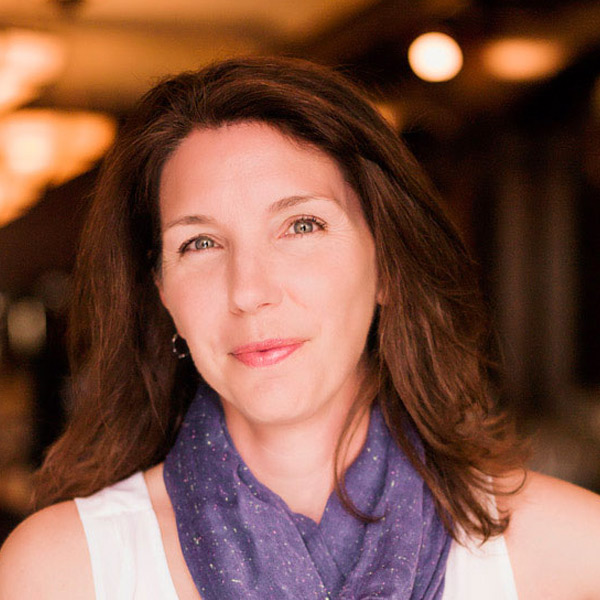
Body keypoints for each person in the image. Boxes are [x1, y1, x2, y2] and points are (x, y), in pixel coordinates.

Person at [0, 56, 599, 600]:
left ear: (388, 264)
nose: (250, 291)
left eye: (301, 226)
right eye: (200, 243)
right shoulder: (63, 570)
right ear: (162, 295)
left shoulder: (570, 554)